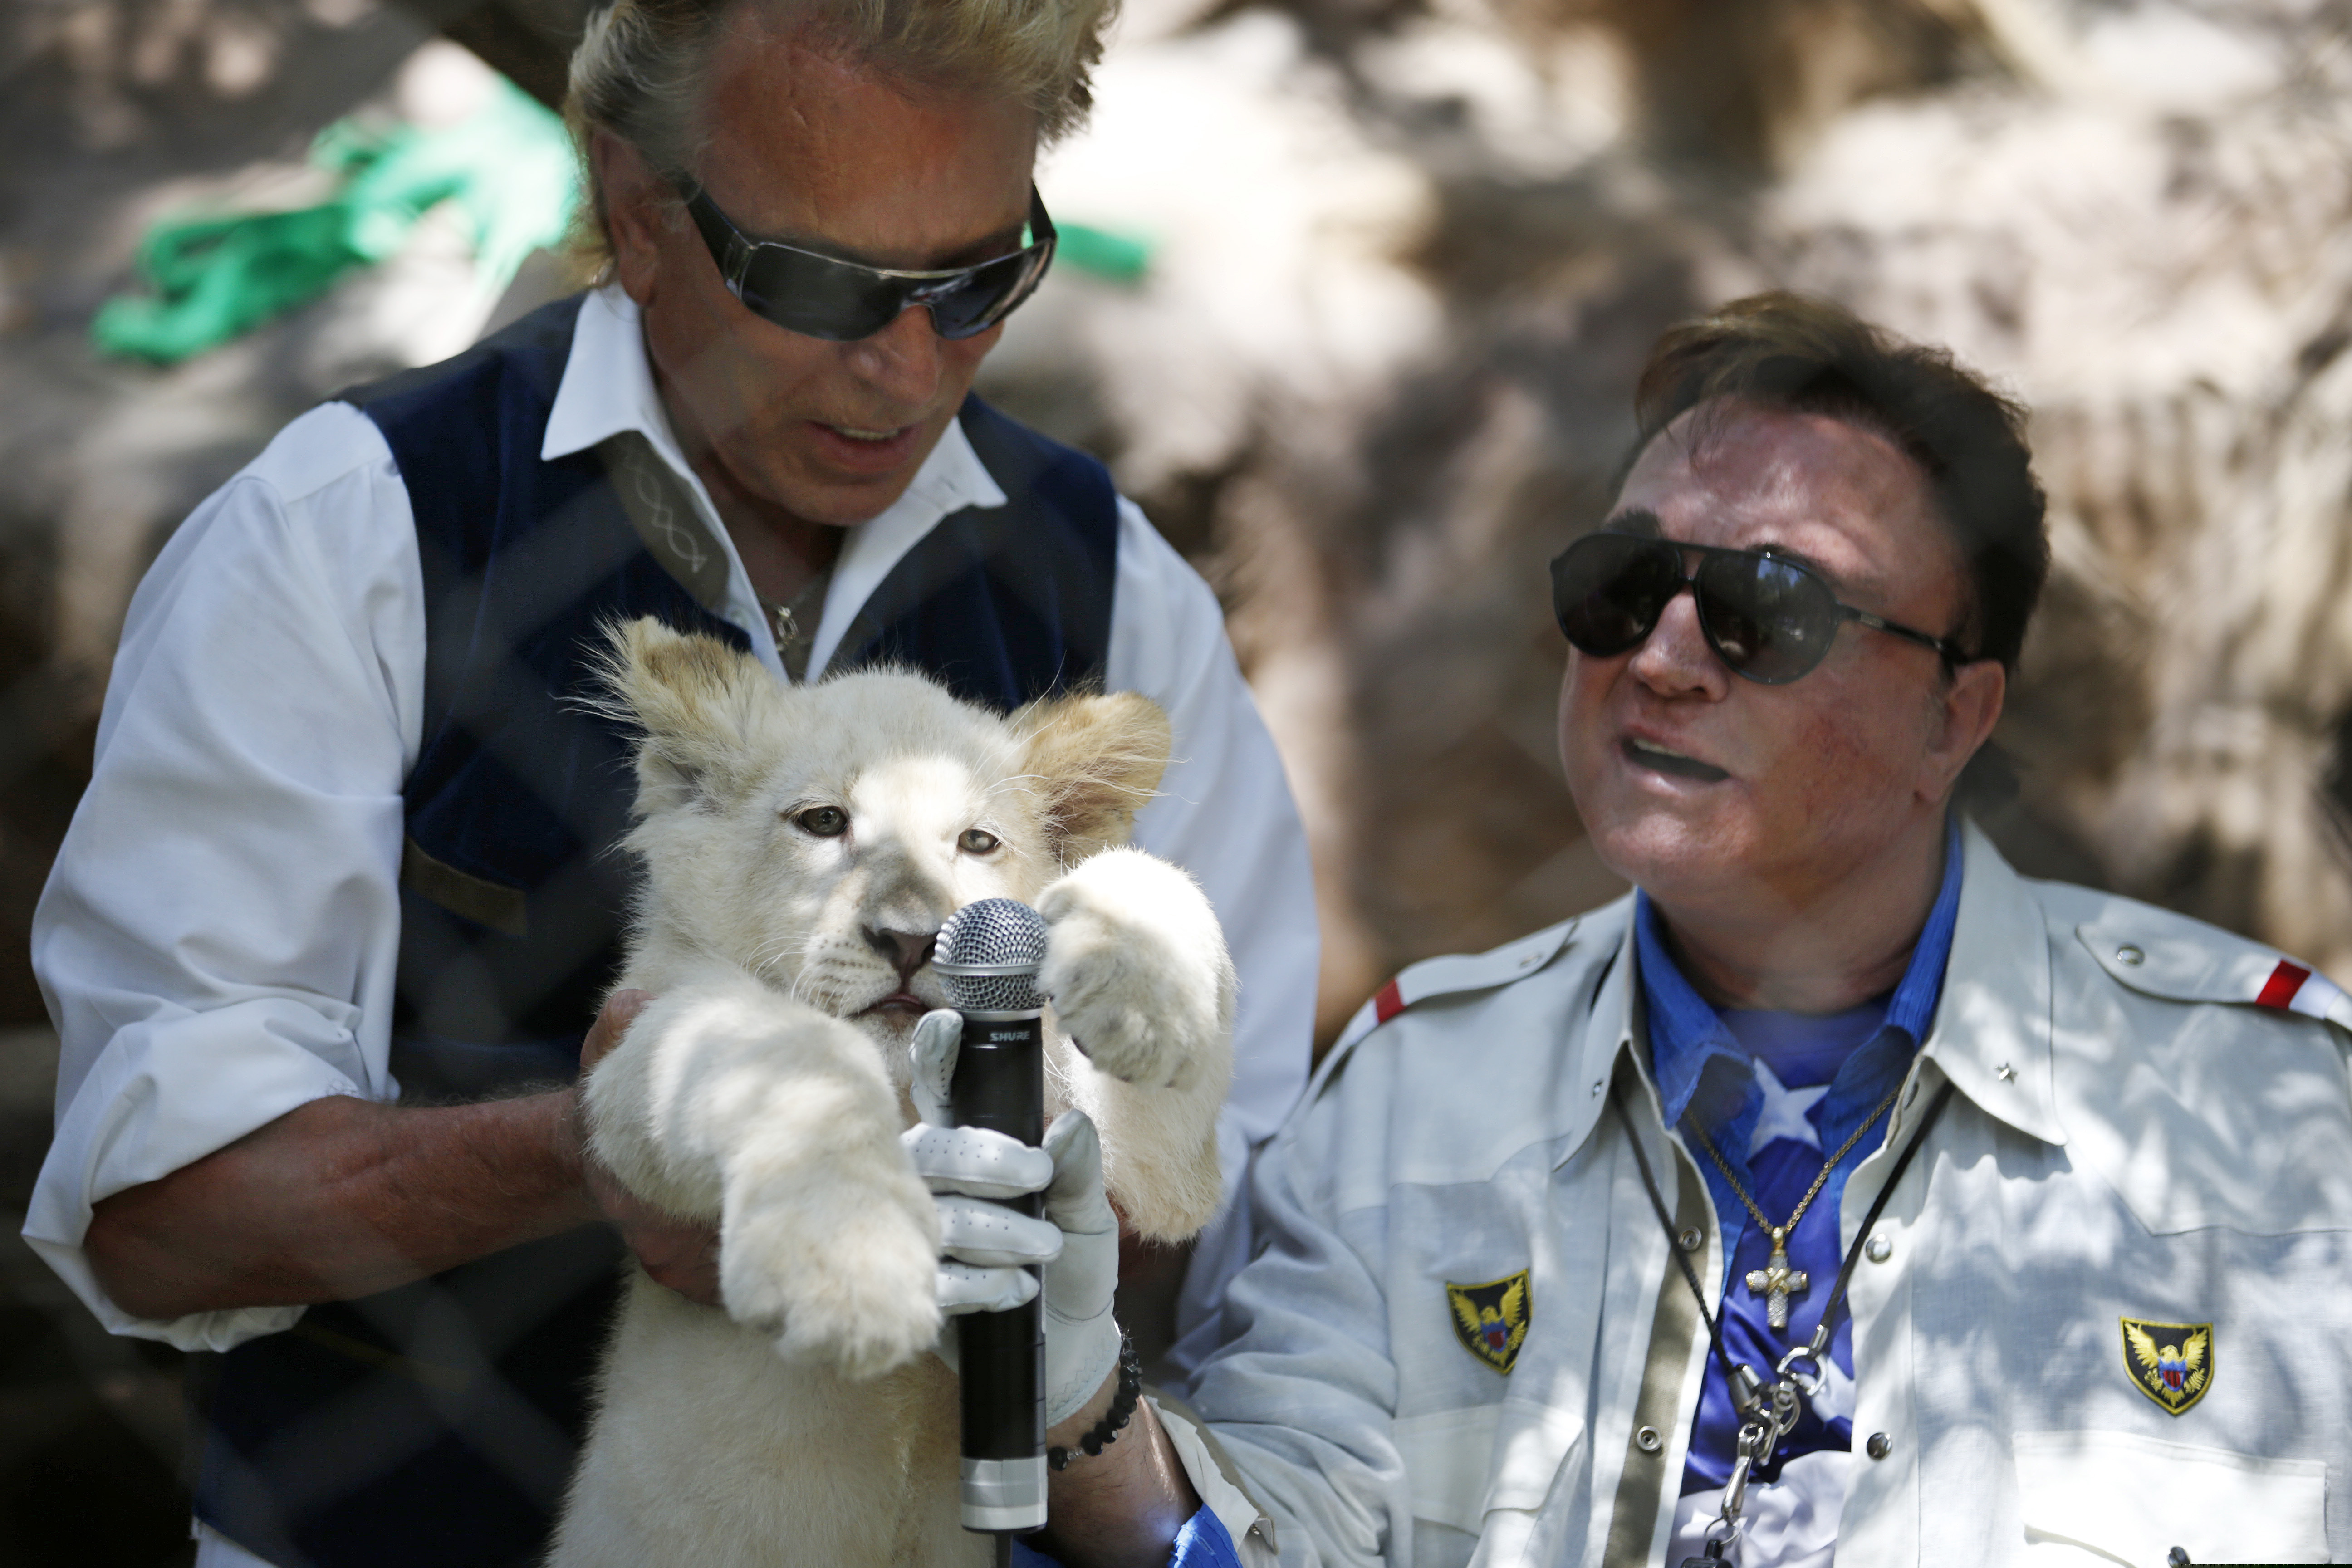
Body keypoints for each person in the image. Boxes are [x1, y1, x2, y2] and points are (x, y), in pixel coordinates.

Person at [24, 1, 1317, 1563]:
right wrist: (606, 1148)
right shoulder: (350, 533)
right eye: (823, 282)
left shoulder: (1116, 592)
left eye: (974, 280)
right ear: (637, 213)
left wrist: (1063, 1157)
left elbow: (1248, 1222)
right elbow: (158, 1217)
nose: (907, 366)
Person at [1007, 293, 2352, 1566]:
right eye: (1626, 584)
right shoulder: (1411, 1098)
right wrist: (1072, 1395)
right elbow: (1273, 1527)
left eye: (1771, 608)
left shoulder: (2281, 1112)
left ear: (1958, 714)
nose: (1659, 656)